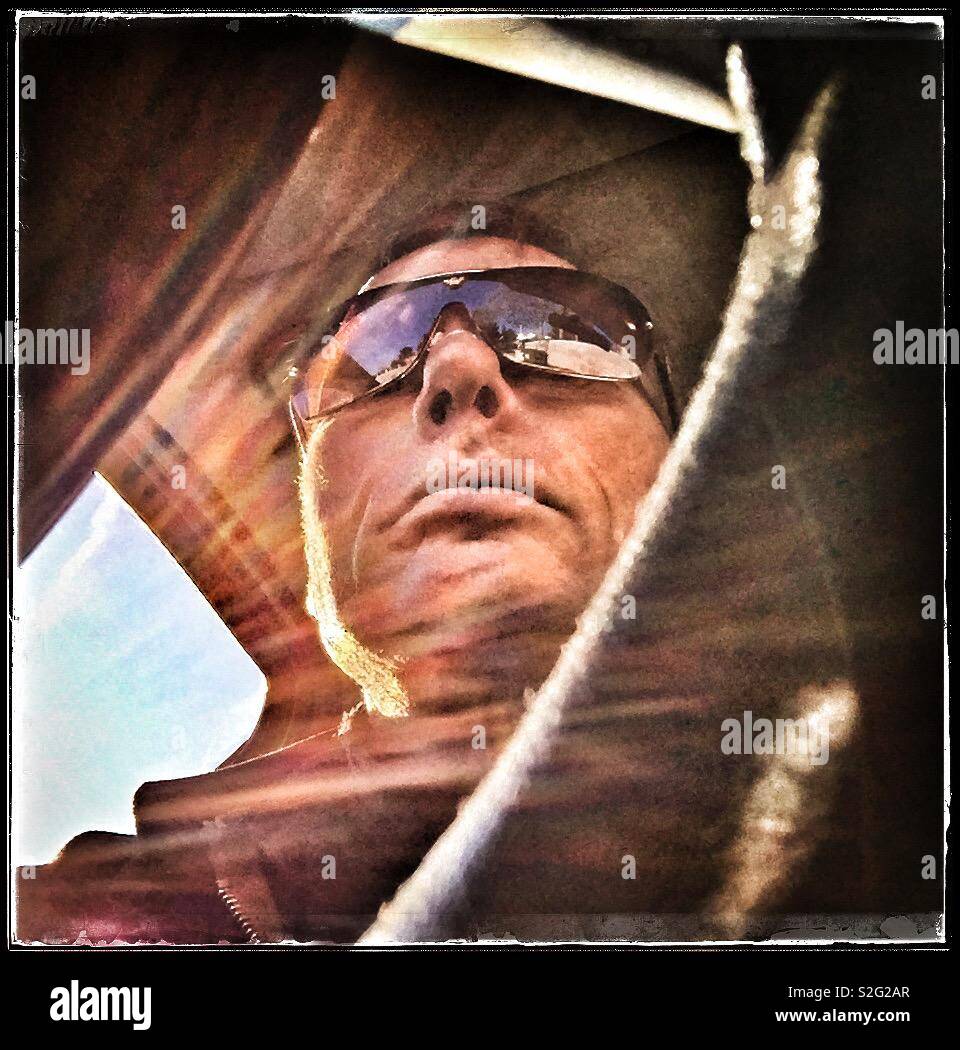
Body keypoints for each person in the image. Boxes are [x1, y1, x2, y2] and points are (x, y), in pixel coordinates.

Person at [16, 202, 677, 944]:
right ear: (317, 546)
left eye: (556, 332)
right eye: (375, 355)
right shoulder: (110, 909)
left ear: (684, 466)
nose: (457, 369)